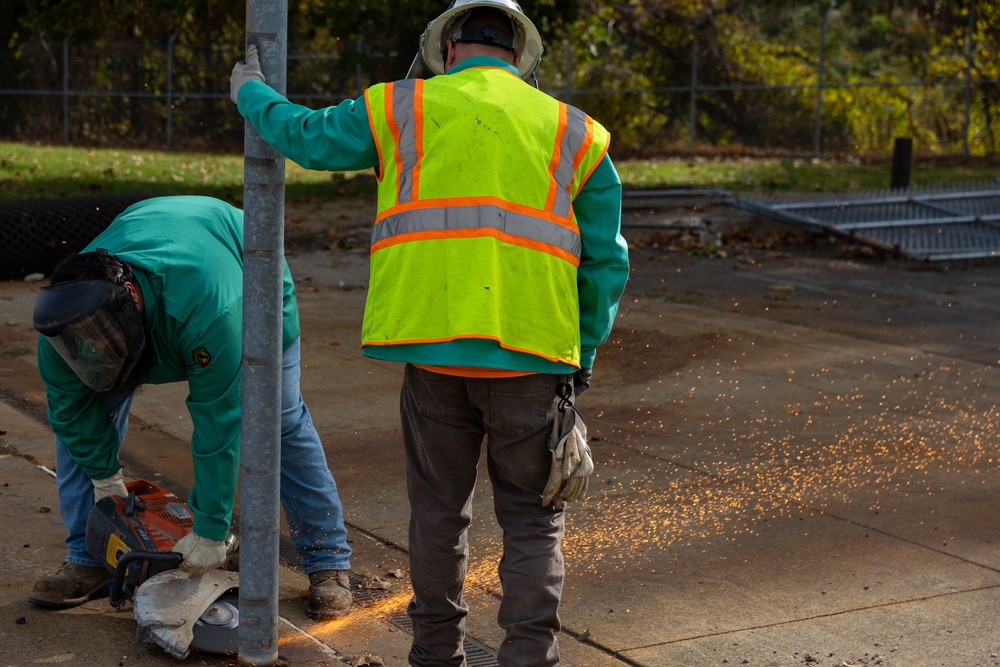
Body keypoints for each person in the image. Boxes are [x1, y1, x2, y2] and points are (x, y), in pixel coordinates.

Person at [230, 1, 629, 664]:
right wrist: (579, 356)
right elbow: (607, 262)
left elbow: (304, 136)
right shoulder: (576, 132)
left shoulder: (398, 109)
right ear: (519, 57)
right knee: (532, 523)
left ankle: (436, 655)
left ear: (449, 50)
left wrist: (251, 92)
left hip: (432, 357)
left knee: (440, 518)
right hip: (532, 360)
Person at [29, 195, 354, 621]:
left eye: (104, 335)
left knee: (278, 417)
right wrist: (104, 477)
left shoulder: (212, 309)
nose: (96, 347)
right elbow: (72, 415)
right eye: (84, 342)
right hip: (156, 241)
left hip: (240, 262)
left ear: (128, 295)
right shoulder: (62, 334)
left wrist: (211, 529)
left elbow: (220, 424)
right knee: (80, 431)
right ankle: (88, 558)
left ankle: (327, 560)